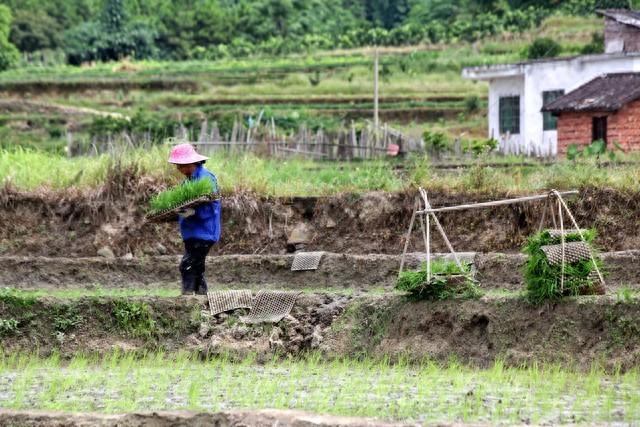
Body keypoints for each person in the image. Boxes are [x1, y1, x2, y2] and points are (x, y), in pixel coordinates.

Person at [168, 143, 221, 295]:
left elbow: (209, 206)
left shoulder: (206, 179)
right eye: (177, 166)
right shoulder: (187, 182)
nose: (179, 169)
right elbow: (184, 207)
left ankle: (187, 298)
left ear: (192, 163)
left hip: (204, 233)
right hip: (191, 233)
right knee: (197, 267)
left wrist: (191, 212)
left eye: (181, 165)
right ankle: (202, 298)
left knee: (187, 265)